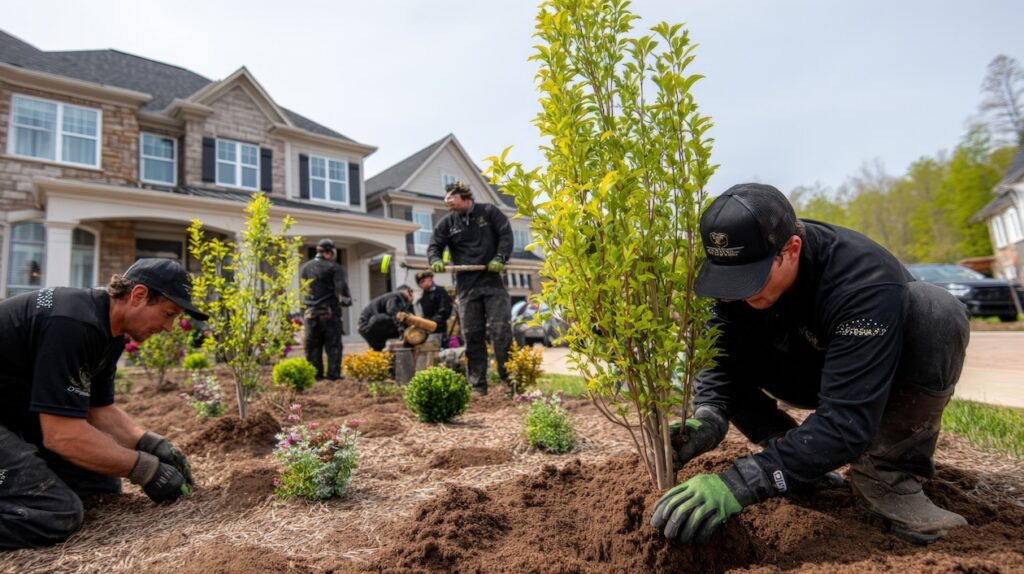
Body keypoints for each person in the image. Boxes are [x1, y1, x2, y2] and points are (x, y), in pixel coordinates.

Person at [650, 183, 970, 546]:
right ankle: (794, 455)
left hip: (866, 377)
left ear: (792, 249)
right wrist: (709, 413)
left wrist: (744, 482)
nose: (735, 293)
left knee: (937, 310)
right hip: (792, 367)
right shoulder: (732, 271)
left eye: (751, 279)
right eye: (728, 280)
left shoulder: (860, 277)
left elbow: (848, 420)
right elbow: (716, 352)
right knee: (715, 343)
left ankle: (888, 476)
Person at [0, 258, 208, 550]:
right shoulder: (72, 323)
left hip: (11, 415)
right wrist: (144, 469)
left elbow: (98, 410)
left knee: (100, 486)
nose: (169, 327)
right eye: (168, 314)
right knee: (55, 513)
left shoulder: (109, 335)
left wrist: (150, 444)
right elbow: (61, 435)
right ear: (138, 296)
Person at [427, 180, 514, 394]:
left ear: (464, 196)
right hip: (467, 288)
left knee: (500, 331)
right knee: (472, 335)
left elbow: (505, 234)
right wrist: (435, 260)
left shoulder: (489, 212)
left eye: (451, 198)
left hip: (492, 283)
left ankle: (510, 380)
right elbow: (434, 245)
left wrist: (500, 257)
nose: (448, 203)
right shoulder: (448, 223)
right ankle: (478, 384)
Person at [300, 238, 352, 380]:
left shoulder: (305, 268)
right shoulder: (334, 267)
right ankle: (333, 376)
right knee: (333, 346)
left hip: (310, 314)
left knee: (313, 348)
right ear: (329, 252)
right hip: (329, 314)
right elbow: (342, 291)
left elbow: (304, 291)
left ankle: (315, 376)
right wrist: (346, 300)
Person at [357, 285, 414, 351]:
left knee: (378, 349)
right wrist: (402, 330)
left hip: (371, 326)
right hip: (366, 325)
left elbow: (412, 317)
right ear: (405, 291)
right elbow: (393, 312)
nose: (412, 295)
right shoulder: (395, 296)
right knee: (398, 322)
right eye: (410, 292)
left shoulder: (406, 303)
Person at [414, 270, 453, 346]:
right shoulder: (424, 294)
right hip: (427, 328)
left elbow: (444, 310)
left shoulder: (440, 291)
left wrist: (433, 322)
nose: (421, 285)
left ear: (430, 279)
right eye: (420, 283)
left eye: (423, 281)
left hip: (438, 328)